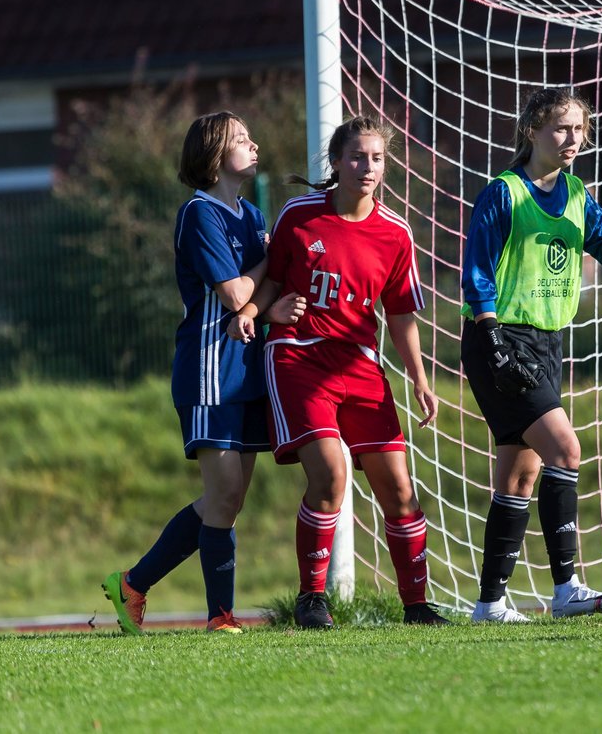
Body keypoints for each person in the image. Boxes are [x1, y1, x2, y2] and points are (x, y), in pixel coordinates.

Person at [229, 114, 448, 628]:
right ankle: (312, 599)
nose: (366, 167)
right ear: (336, 162)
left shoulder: (395, 233)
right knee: (330, 474)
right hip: (299, 357)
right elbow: (272, 280)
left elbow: (400, 315)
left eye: (376, 158)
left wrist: (418, 378)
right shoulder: (299, 216)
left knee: (398, 490)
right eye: (356, 157)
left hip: (361, 366)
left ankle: (416, 606)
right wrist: (255, 312)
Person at [103, 111, 292, 635]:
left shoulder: (252, 214)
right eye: (240, 139)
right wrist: (267, 275)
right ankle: (220, 616)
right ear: (212, 157)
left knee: (226, 500)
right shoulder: (199, 213)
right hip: (209, 367)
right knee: (224, 493)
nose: (254, 144)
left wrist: (262, 304)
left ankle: (133, 585)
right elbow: (233, 293)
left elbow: (258, 295)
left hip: (248, 365)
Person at [461, 86, 602, 623]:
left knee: (518, 476)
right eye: (560, 128)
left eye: (579, 129)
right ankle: (567, 590)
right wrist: (491, 336)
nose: (572, 139)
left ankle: (490, 604)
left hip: (547, 343)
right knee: (565, 448)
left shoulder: (580, 195)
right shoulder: (504, 192)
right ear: (532, 131)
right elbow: (477, 270)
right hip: (500, 339)